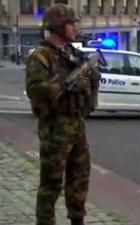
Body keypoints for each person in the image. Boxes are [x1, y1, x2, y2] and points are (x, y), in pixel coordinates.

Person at [25, 4, 101, 225]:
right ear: (58, 26)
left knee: (80, 178)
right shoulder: (41, 57)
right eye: (71, 24)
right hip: (54, 127)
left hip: (76, 124)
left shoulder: (72, 54)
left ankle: (77, 219)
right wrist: (66, 85)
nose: (75, 28)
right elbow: (35, 90)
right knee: (51, 184)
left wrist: (88, 86)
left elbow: (89, 84)